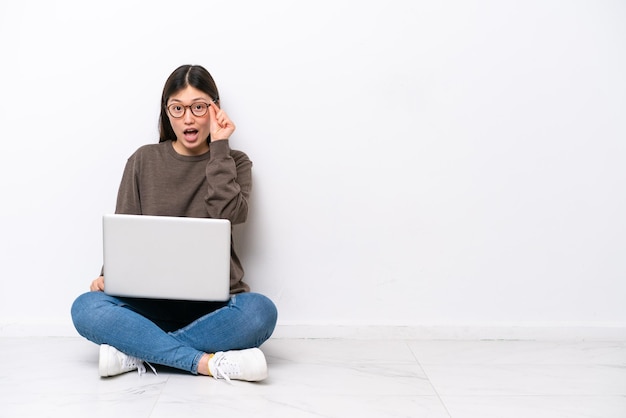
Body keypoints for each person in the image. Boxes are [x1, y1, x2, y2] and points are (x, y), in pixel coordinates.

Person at [71, 64, 277, 382]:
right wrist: (107, 275)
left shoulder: (235, 161)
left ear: (215, 108)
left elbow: (230, 214)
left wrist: (219, 148)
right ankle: (205, 362)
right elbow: (124, 232)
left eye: (198, 107)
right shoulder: (143, 160)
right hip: (148, 305)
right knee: (85, 307)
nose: (188, 118)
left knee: (261, 312)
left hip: (214, 307)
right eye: (177, 108)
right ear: (167, 113)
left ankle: (136, 351)